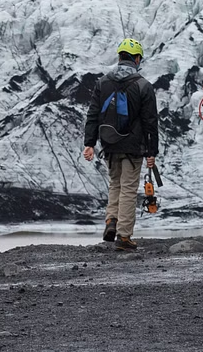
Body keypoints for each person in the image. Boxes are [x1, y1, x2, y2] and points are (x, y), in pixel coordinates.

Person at [83, 38, 158, 252]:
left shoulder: (102, 82)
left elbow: (93, 114)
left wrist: (90, 143)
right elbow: (150, 122)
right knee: (128, 189)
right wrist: (152, 151)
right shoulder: (143, 85)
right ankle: (124, 236)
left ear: (119, 57)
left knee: (115, 184)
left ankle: (111, 221)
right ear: (136, 59)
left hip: (109, 144)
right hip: (133, 146)